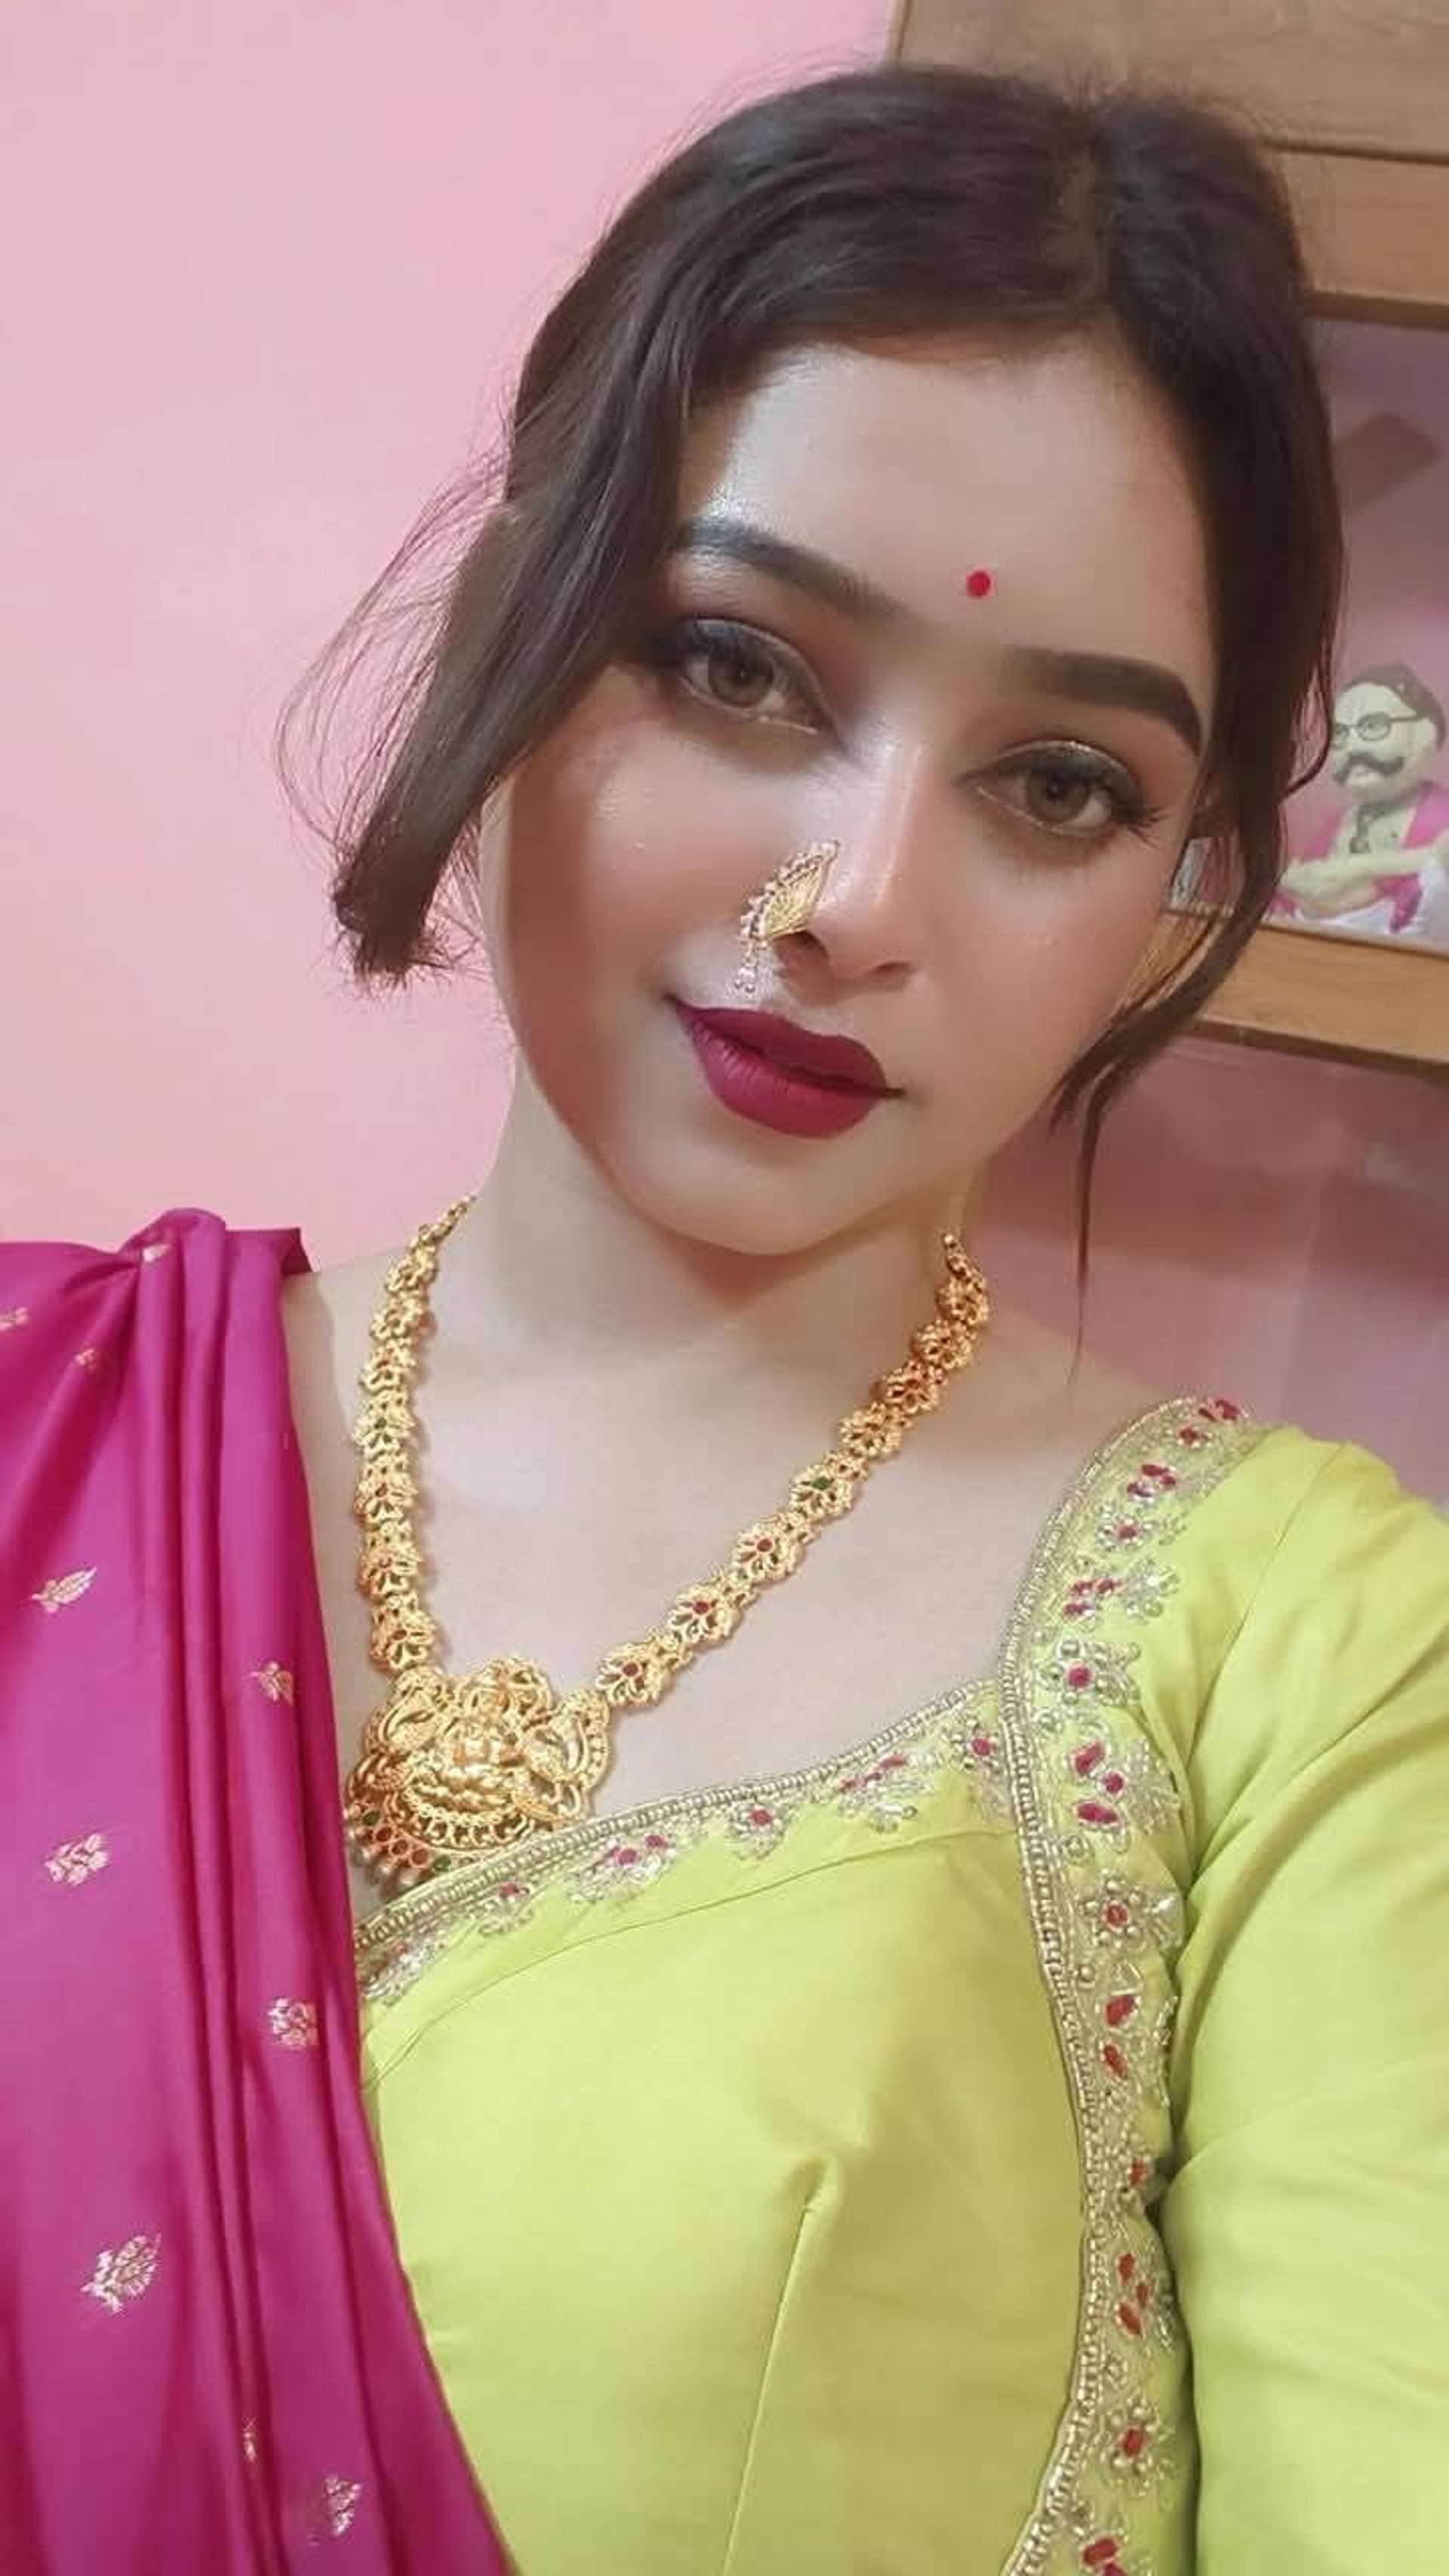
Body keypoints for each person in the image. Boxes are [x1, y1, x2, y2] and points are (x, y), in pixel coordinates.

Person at [2, 60, 1445, 2576]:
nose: (859, 899)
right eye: (739, 666)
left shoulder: (1297, 1660)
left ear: (1176, 882)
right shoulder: (48, 1433)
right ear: (517, 620)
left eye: (1060, 787)